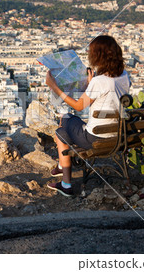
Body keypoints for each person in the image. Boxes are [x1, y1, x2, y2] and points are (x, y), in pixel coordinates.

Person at [45, 35, 131, 197]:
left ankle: (65, 180)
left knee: (63, 126)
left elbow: (78, 106)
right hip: (119, 135)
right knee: (66, 123)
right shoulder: (124, 76)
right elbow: (108, 100)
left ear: (98, 56)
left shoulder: (100, 82)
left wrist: (55, 87)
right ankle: (62, 172)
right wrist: (91, 84)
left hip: (95, 138)